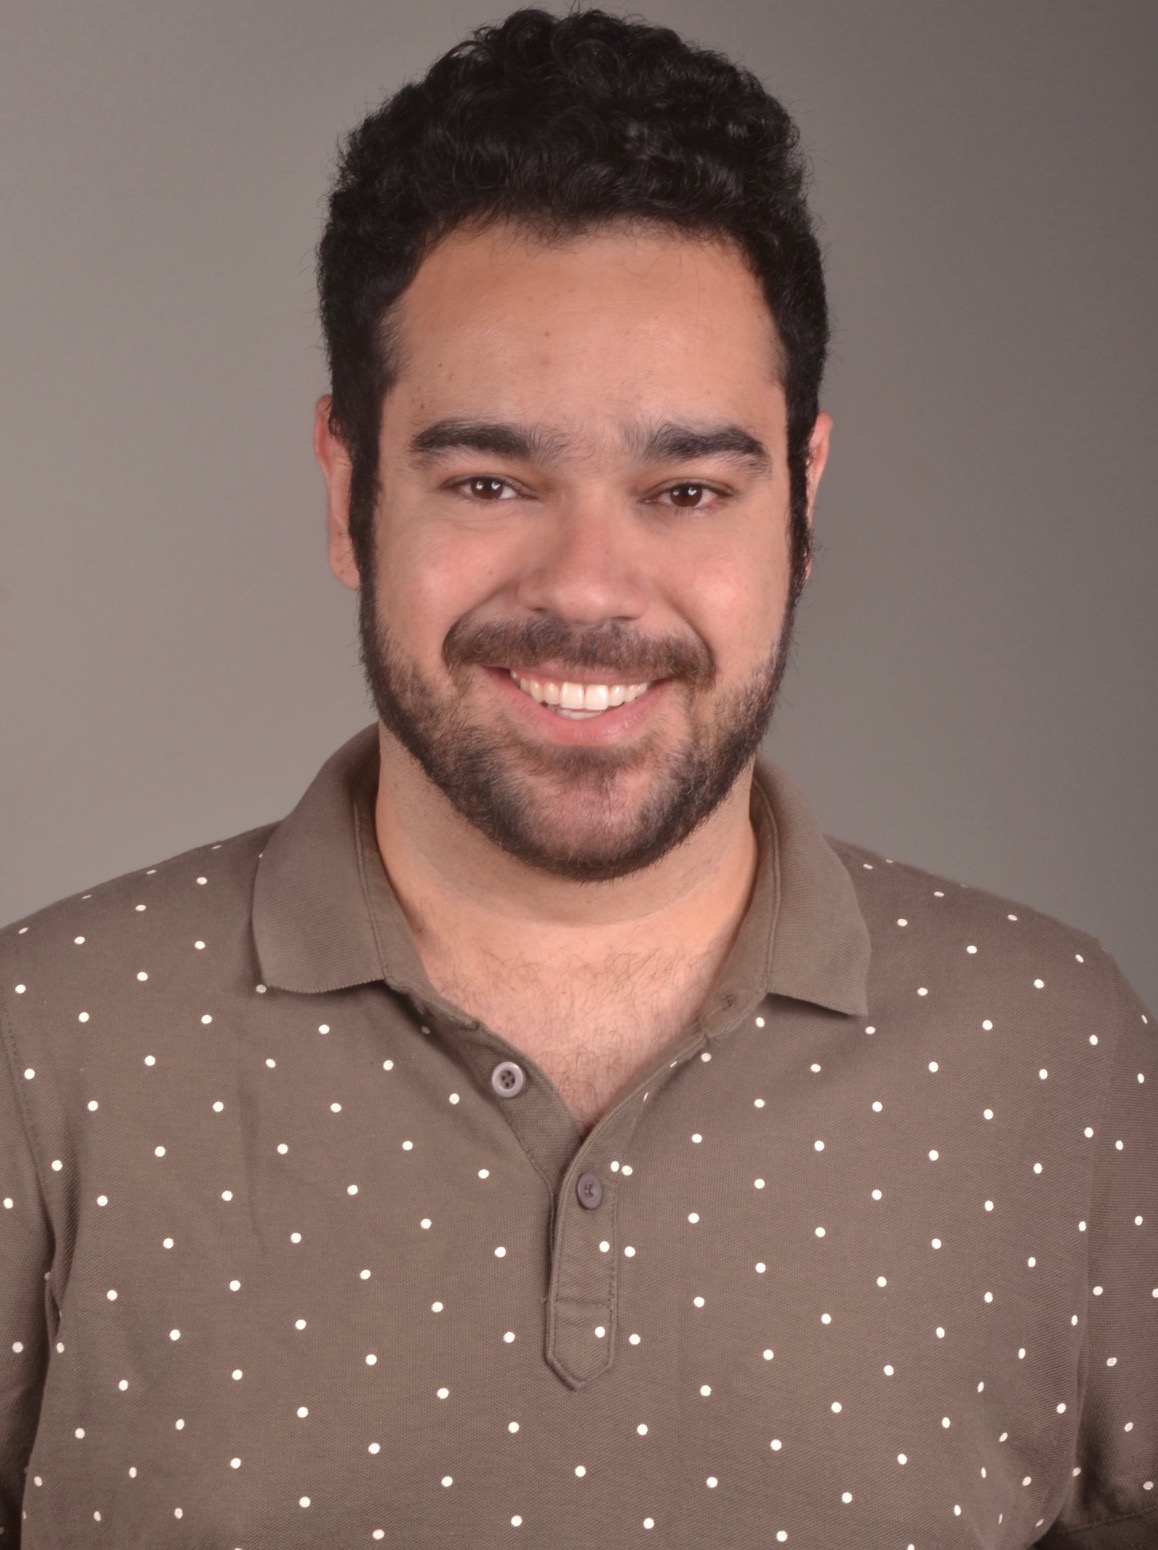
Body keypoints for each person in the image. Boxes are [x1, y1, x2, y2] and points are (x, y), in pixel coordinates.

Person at [1, 8, 1154, 1546]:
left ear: (801, 501)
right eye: (490, 480)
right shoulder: (44, 1045)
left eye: (686, 489)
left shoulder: (1057, 1052)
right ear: (349, 491)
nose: (589, 586)